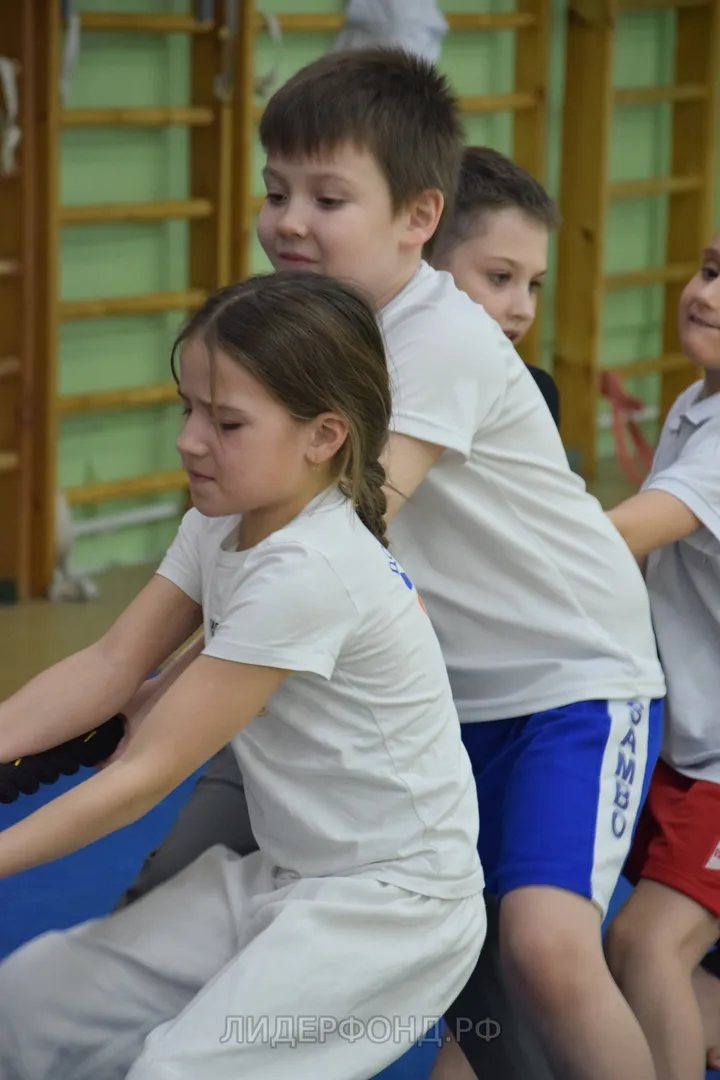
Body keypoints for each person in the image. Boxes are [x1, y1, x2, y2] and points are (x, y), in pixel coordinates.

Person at [84, 48, 665, 1080]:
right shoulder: (307, 333)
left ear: (417, 218)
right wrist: (146, 680)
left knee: (542, 947)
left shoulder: (436, 337)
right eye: (276, 192)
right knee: (461, 974)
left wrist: (170, 687)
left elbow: (339, 531)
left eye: (327, 198)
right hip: (434, 696)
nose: (288, 222)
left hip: (568, 682)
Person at [0, 271, 487, 1080]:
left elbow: (143, 774)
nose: (190, 440)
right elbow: (111, 665)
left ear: (323, 435)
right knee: (23, 1007)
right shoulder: (223, 519)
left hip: (390, 910)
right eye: (187, 409)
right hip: (287, 874)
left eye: (225, 422)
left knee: (173, 1074)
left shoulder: (310, 570)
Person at [603, 232, 720, 1080]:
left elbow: (612, 540)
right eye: (711, 270)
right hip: (687, 739)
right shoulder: (694, 402)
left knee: (644, 945)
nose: (708, 295)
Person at [431, 144, 560, 427]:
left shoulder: (535, 393)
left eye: (534, 285)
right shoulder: (365, 385)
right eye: (500, 277)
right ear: (426, 264)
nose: (524, 311)